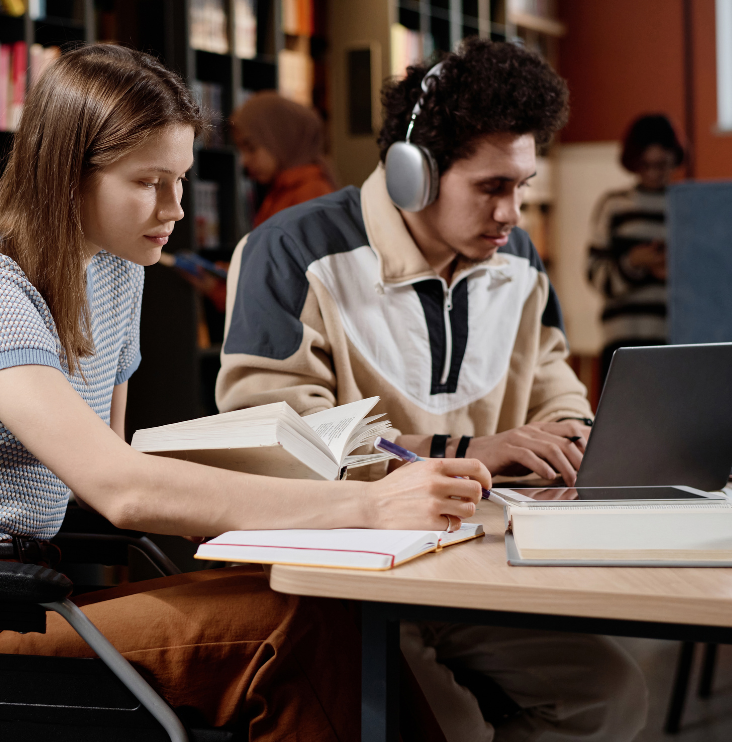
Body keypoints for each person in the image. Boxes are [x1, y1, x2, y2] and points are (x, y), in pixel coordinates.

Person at [0, 44, 490, 741]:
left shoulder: (115, 275)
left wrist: (293, 490)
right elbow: (119, 487)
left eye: (181, 180)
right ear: (67, 174)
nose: (176, 208)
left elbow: (114, 465)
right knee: (292, 625)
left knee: (318, 604)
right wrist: (365, 505)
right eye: (150, 182)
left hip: (28, 592)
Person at [217, 40, 648, 740]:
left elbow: (555, 383)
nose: (513, 213)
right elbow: (274, 441)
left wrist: (573, 435)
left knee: (607, 696)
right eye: (492, 187)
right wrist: (465, 449)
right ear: (413, 174)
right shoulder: (292, 251)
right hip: (351, 575)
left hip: (476, 566)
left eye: (522, 186)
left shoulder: (518, 259)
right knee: (450, 729)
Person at [587, 113, 686, 387]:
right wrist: (634, 262)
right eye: (646, 165)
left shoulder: (688, 206)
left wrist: (673, 271)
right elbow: (595, 276)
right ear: (633, 162)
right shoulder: (614, 205)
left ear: (675, 158)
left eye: (662, 164)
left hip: (678, 341)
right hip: (623, 344)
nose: (655, 173)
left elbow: (709, 281)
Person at [230, 92, 336, 227]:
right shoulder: (282, 190)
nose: (243, 160)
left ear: (281, 139)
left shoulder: (311, 194)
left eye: (251, 148)